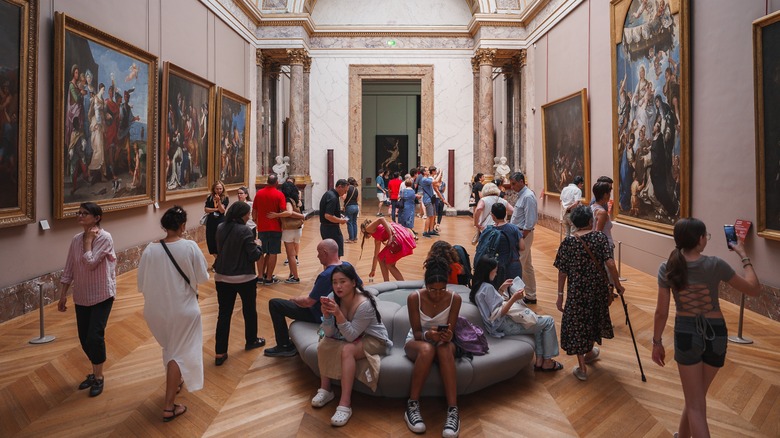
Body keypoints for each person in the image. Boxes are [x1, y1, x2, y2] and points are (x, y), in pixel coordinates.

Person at [652, 218, 761, 438]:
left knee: (695, 403)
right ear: (700, 239)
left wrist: (656, 342)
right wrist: (743, 255)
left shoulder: (667, 267)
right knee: (696, 398)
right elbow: (753, 289)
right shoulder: (715, 264)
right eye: (705, 236)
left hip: (686, 334)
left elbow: (661, 312)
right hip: (716, 334)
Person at [137, 206, 210, 422]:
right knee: (179, 352)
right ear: (182, 226)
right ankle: (169, 406)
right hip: (183, 309)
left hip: (156, 311)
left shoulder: (150, 249)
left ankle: (176, 380)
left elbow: (141, 283)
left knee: (171, 347)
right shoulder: (189, 247)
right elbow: (202, 277)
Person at [312, 264, 392, 427]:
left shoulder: (365, 304)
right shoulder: (332, 297)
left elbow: (351, 336)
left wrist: (338, 314)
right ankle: (326, 390)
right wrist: (327, 316)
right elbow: (328, 333)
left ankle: (345, 403)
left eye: (343, 281)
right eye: (334, 282)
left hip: (375, 339)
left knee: (347, 350)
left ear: (354, 282)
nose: (338, 286)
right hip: (351, 336)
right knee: (324, 342)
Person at [554, 205, 625, 381]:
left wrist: (560, 295)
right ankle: (589, 351)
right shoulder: (599, 238)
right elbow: (610, 264)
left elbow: (562, 272)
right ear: (589, 221)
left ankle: (583, 366)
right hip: (597, 289)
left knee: (578, 322)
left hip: (577, 290)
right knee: (593, 317)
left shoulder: (568, 243)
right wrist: (617, 285)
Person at [57, 202, 116, 397]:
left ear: (97, 217)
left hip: (102, 294)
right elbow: (70, 267)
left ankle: (98, 377)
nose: (80, 216)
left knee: (94, 336)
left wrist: (89, 241)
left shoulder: (105, 238)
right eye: (79, 213)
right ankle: (94, 371)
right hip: (81, 295)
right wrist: (63, 294)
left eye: (85, 213)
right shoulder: (75, 239)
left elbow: (90, 263)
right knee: (84, 338)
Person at [264, 239, 358, 357]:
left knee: (275, 304)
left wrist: (294, 299)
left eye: (319, 252)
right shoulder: (347, 266)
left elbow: (308, 303)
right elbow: (359, 286)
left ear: (325, 253)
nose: (318, 256)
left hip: (320, 314)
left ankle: (284, 346)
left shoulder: (326, 275)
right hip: (341, 313)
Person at [470, 256, 562, 372]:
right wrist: (513, 298)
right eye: (495, 271)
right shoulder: (487, 288)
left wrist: (501, 289)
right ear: (488, 271)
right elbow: (497, 313)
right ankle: (547, 361)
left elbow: (491, 305)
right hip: (503, 325)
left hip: (497, 326)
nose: (496, 273)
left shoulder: (478, 286)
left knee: (538, 323)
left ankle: (540, 361)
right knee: (548, 321)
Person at [404, 256, 462, 437]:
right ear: (425, 285)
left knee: (443, 349)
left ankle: (453, 410)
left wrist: (447, 335)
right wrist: (429, 335)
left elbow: (451, 331)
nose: (437, 294)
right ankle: (412, 405)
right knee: (428, 349)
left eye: (442, 290)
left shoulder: (455, 299)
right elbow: (416, 333)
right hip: (418, 340)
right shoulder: (414, 298)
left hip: (444, 343)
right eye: (432, 289)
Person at [213, 201, 266, 366]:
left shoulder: (221, 227)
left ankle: (220, 352)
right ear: (242, 215)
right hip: (244, 277)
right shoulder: (245, 230)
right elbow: (253, 256)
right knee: (249, 311)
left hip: (222, 276)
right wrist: (259, 246)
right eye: (248, 214)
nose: (249, 216)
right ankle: (251, 340)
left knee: (224, 314)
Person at [266, 181, 305, 283]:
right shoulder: (295, 199)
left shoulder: (287, 200)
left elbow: (289, 212)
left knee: (291, 255)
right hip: (297, 229)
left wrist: (276, 215)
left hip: (289, 230)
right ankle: (292, 275)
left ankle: (295, 277)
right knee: (294, 254)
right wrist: (301, 216)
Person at [509, 172, 538, 304]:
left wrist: (521, 236)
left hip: (523, 234)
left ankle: (516, 297)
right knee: (527, 266)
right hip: (520, 233)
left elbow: (530, 220)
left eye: (514, 183)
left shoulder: (528, 196)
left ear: (522, 181)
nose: (512, 186)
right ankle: (531, 295)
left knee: (517, 265)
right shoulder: (522, 195)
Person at [252, 174, 287, 284]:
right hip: (275, 227)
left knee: (261, 252)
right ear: (276, 182)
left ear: (267, 181)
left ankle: (260, 276)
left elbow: (254, 212)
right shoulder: (279, 194)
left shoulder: (259, 194)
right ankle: (269, 278)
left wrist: (257, 221)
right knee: (273, 252)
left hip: (262, 227)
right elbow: (283, 211)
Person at [360, 216, 416, 282]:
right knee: (380, 257)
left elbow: (381, 219)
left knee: (389, 265)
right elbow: (376, 255)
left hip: (396, 236)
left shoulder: (368, 228)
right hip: (399, 235)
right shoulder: (377, 237)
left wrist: (390, 235)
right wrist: (373, 270)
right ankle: (386, 282)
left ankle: (402, 284)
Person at [486, 203, 524, 287]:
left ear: (492, 215)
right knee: (515, 290)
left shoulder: (490, 230)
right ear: (505, 213)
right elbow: (522, 247)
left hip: (496, 266)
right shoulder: (514, 228)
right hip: (514, 263)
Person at [319, 178, 349, 257]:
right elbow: (328, 215)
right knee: (334, 253)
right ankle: (334, 269)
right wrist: (341, 220)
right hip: (331, 229)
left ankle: (329, 269)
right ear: (339, 187)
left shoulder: (329, 194)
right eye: (345, 191)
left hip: (326, 228)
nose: (345, 193)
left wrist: (339, 215)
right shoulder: (333, 197)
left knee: (328, 253)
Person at [204, 181, 228, 256]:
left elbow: (222, 210)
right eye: (217, 189)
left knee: (219, 240)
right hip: (211, 222)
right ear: (214, 189)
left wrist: (218, 201)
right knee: (211, 240)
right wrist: (215, 209)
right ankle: (217, 260)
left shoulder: (225, 198)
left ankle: (219, 260)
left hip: (220, 221)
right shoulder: (210, 197)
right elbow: (206, 209)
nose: (219, 190)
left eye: (220, 189)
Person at [591, 181, 615, 248]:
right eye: (609, 193)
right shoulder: (602, 213)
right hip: (605, 246)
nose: (610, 195)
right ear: (605, 195)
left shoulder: (592, 207)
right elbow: (598, 233)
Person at [344, 177, 360, 243]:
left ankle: (351, 238)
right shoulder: (356, 189)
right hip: (356, 206)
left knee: (349, 222)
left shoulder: (348, 188)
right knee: (354, 222)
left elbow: (344, 197)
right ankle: (355, 238)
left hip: (349, 207)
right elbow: (357, 199)